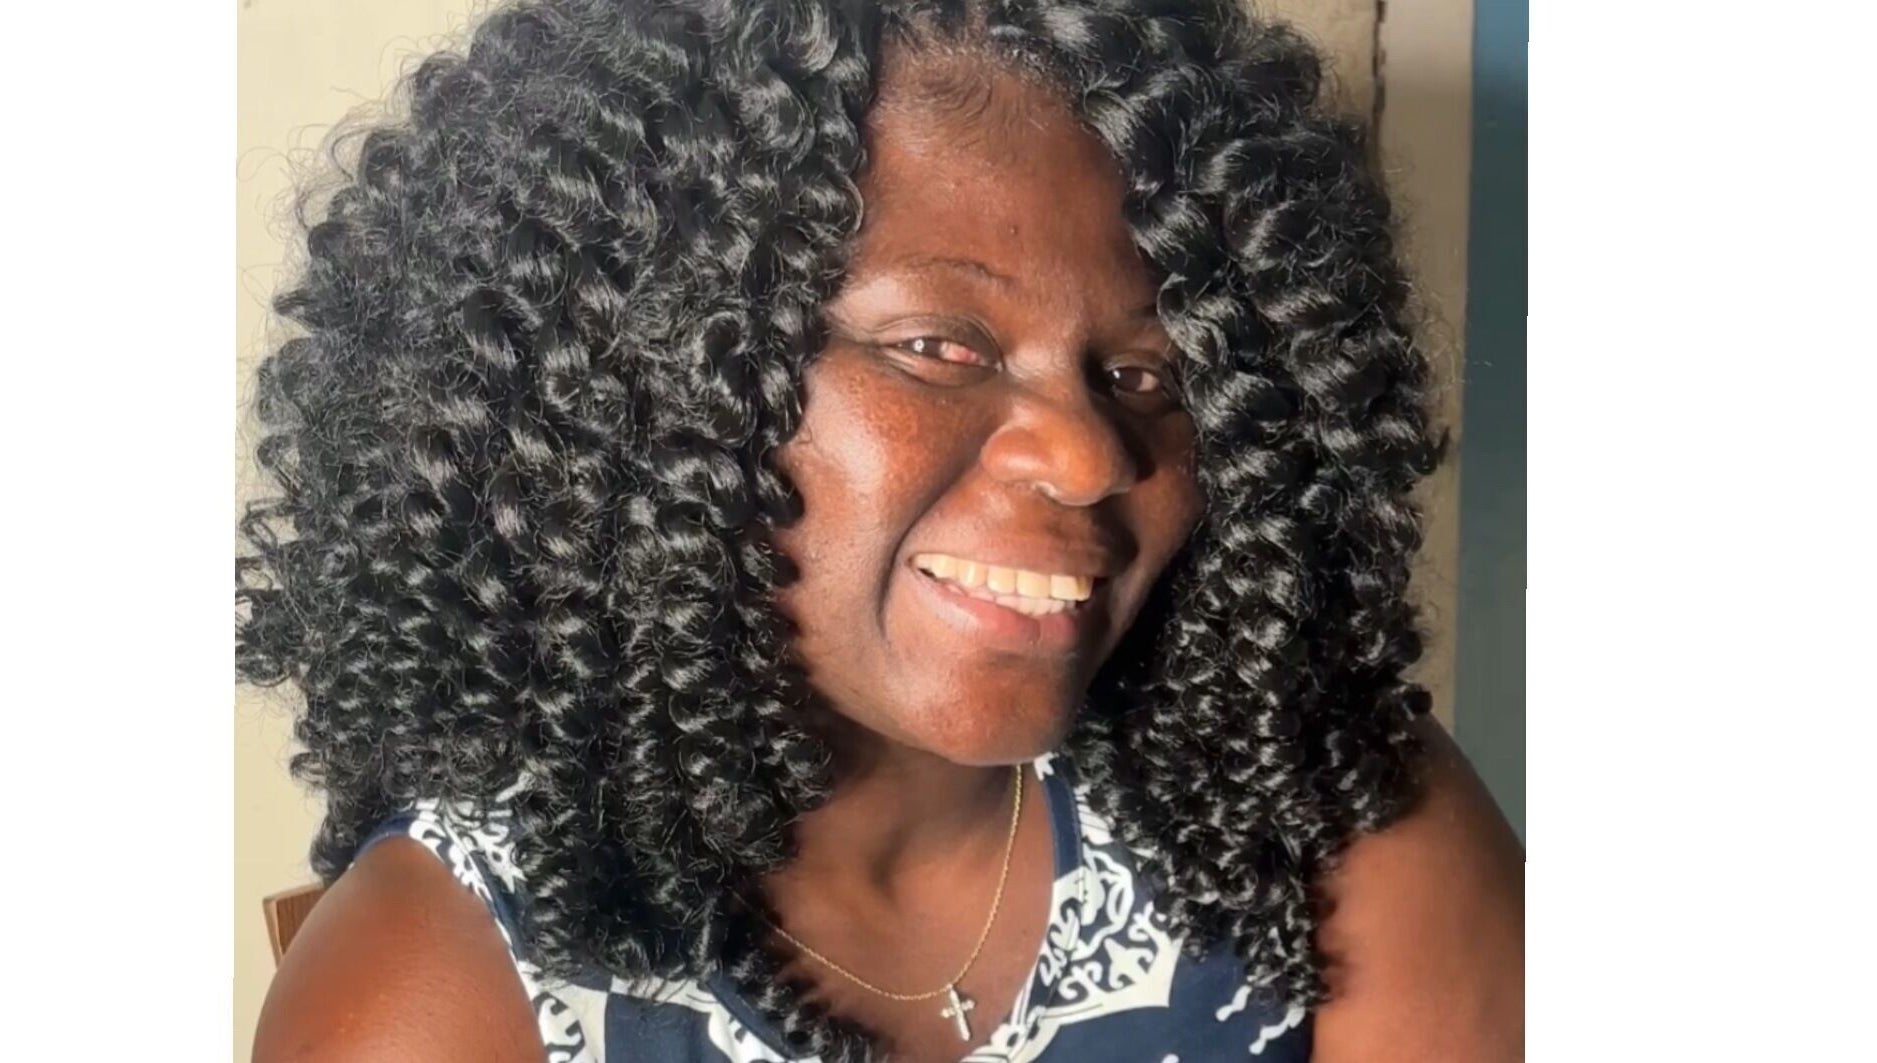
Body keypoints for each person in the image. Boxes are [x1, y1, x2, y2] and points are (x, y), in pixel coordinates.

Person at [238, 1, 1523, 1060]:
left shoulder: (1322, 809)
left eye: (1148, 374)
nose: (1086, 456)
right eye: (937, 347)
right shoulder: (438, 993)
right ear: (635, 390)